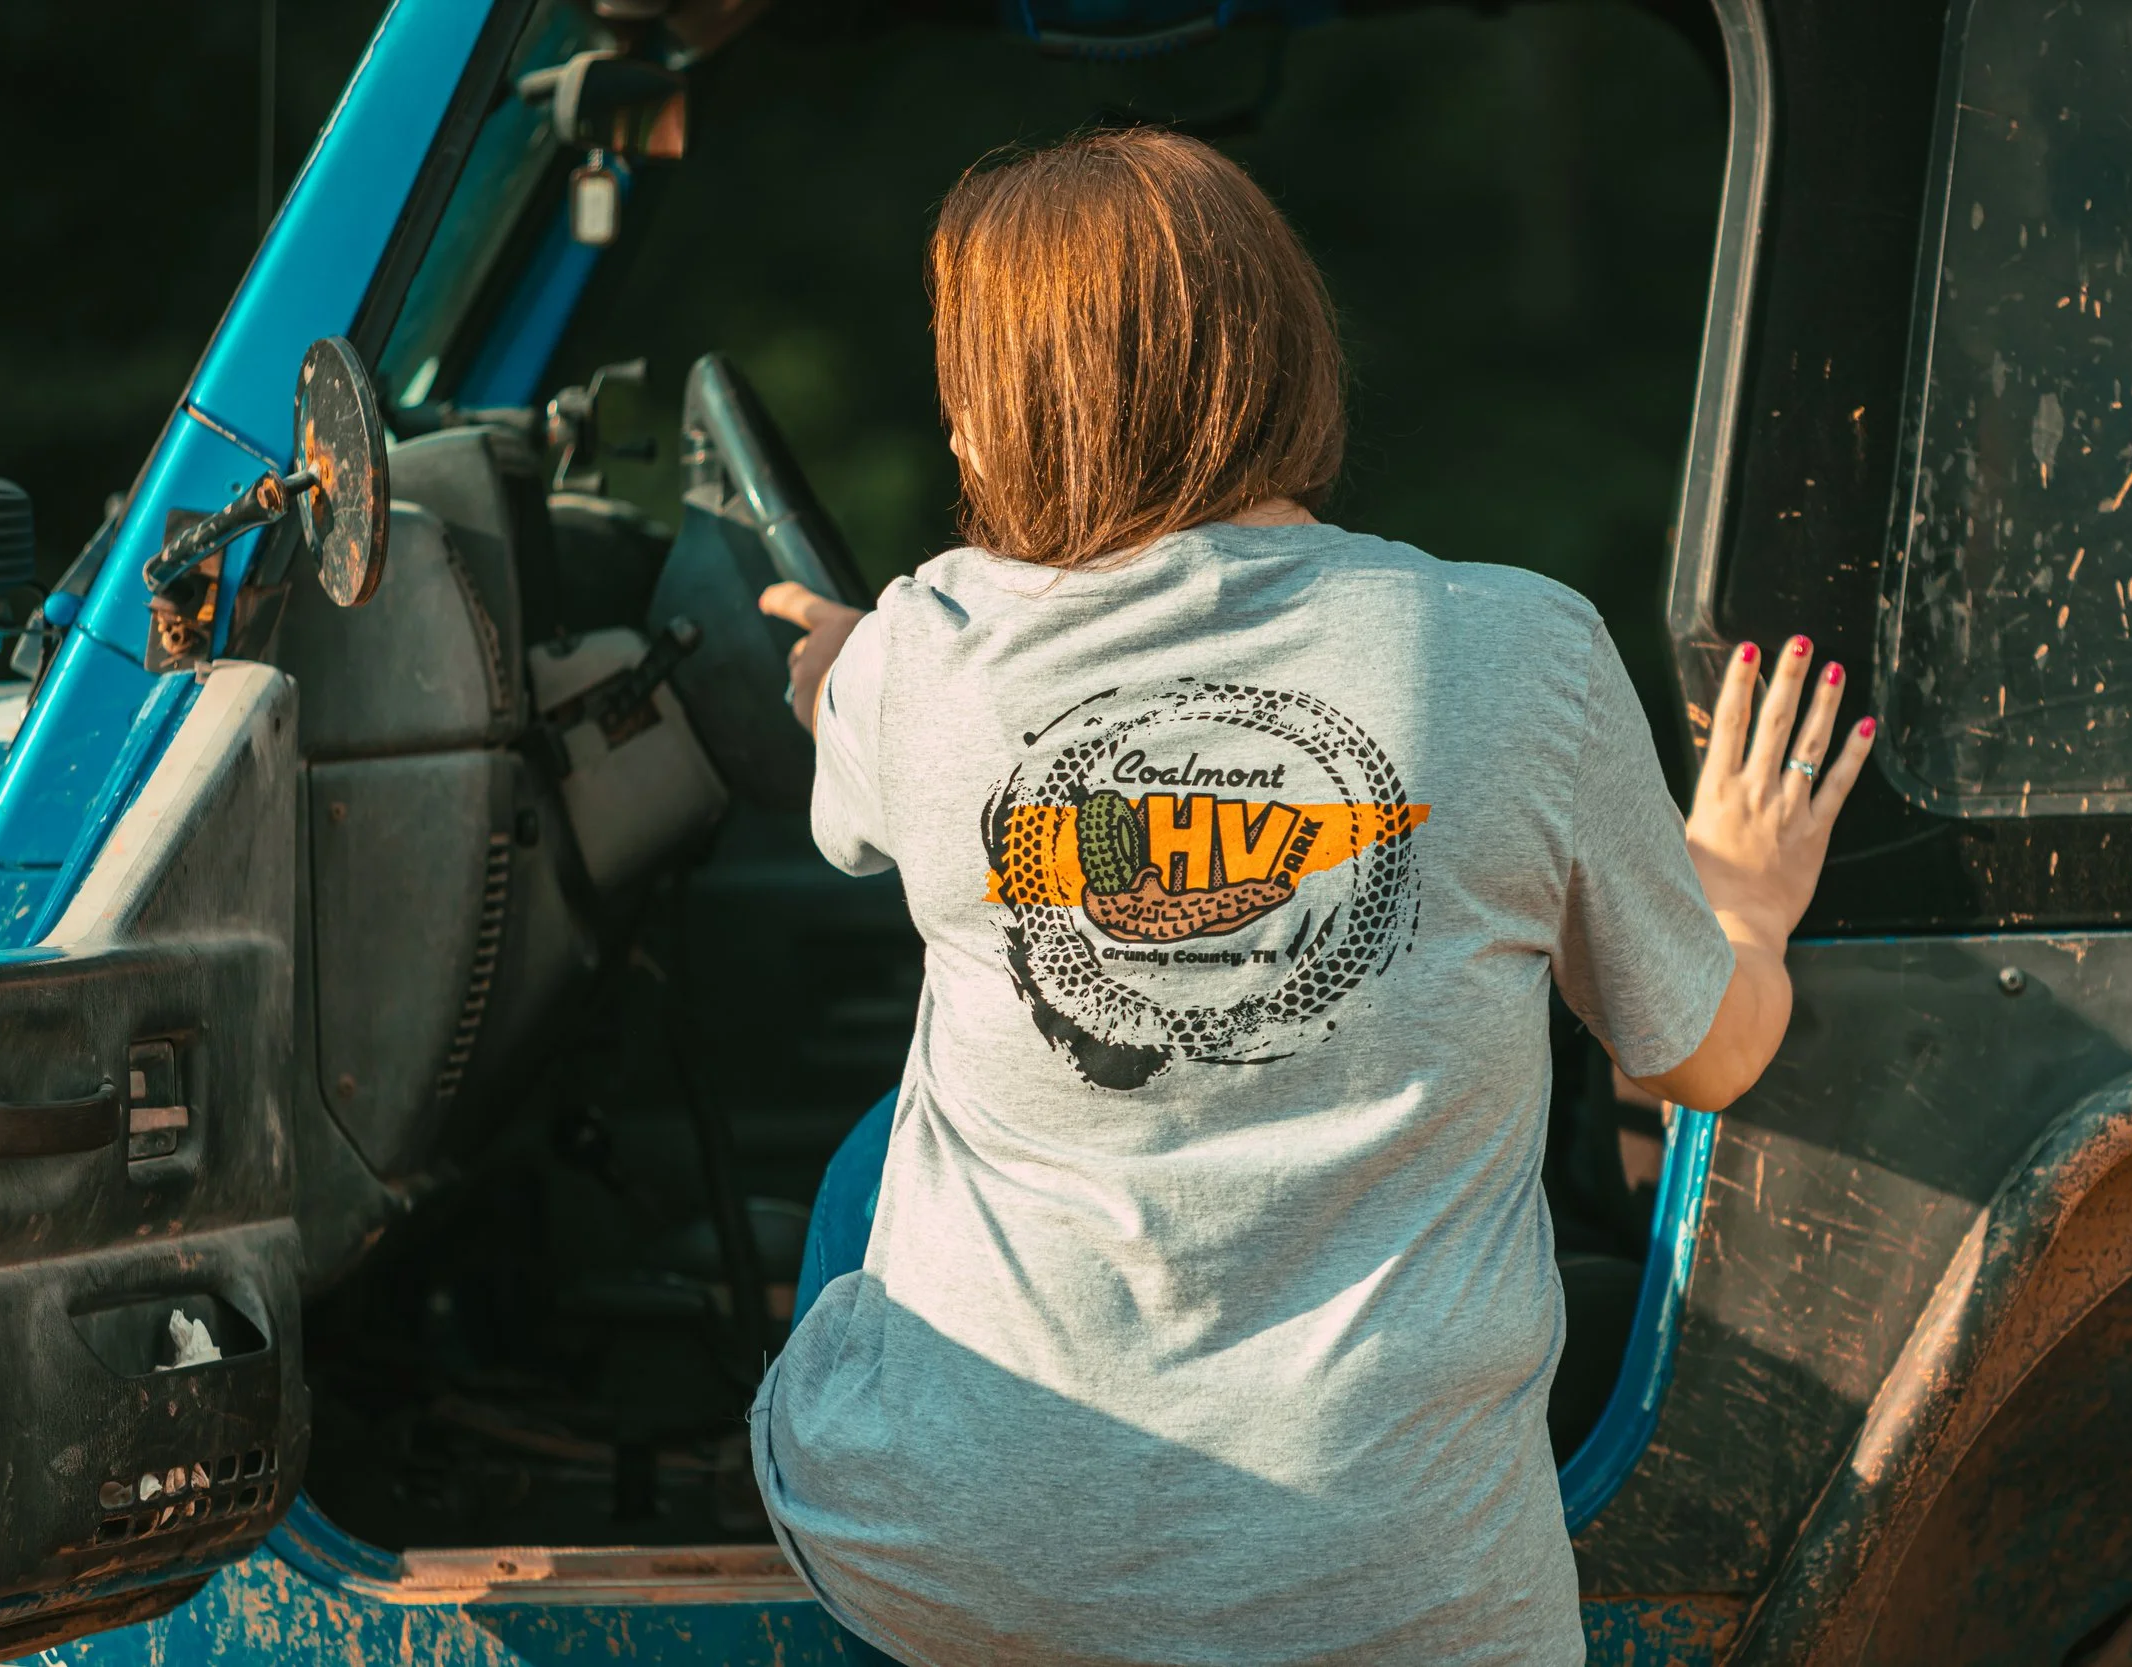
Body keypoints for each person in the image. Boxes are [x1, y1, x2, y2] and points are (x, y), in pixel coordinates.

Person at [748, 126, 1869, 1667]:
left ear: (1003, 413)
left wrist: (827, 663)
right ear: (1282, 355)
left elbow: (848, 728)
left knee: (885, 1156)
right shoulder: (1523, 652)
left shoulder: (919, 652)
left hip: (979, 1583)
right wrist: (1735, 889)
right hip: (1407, 1608)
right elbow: (1701, 1057)